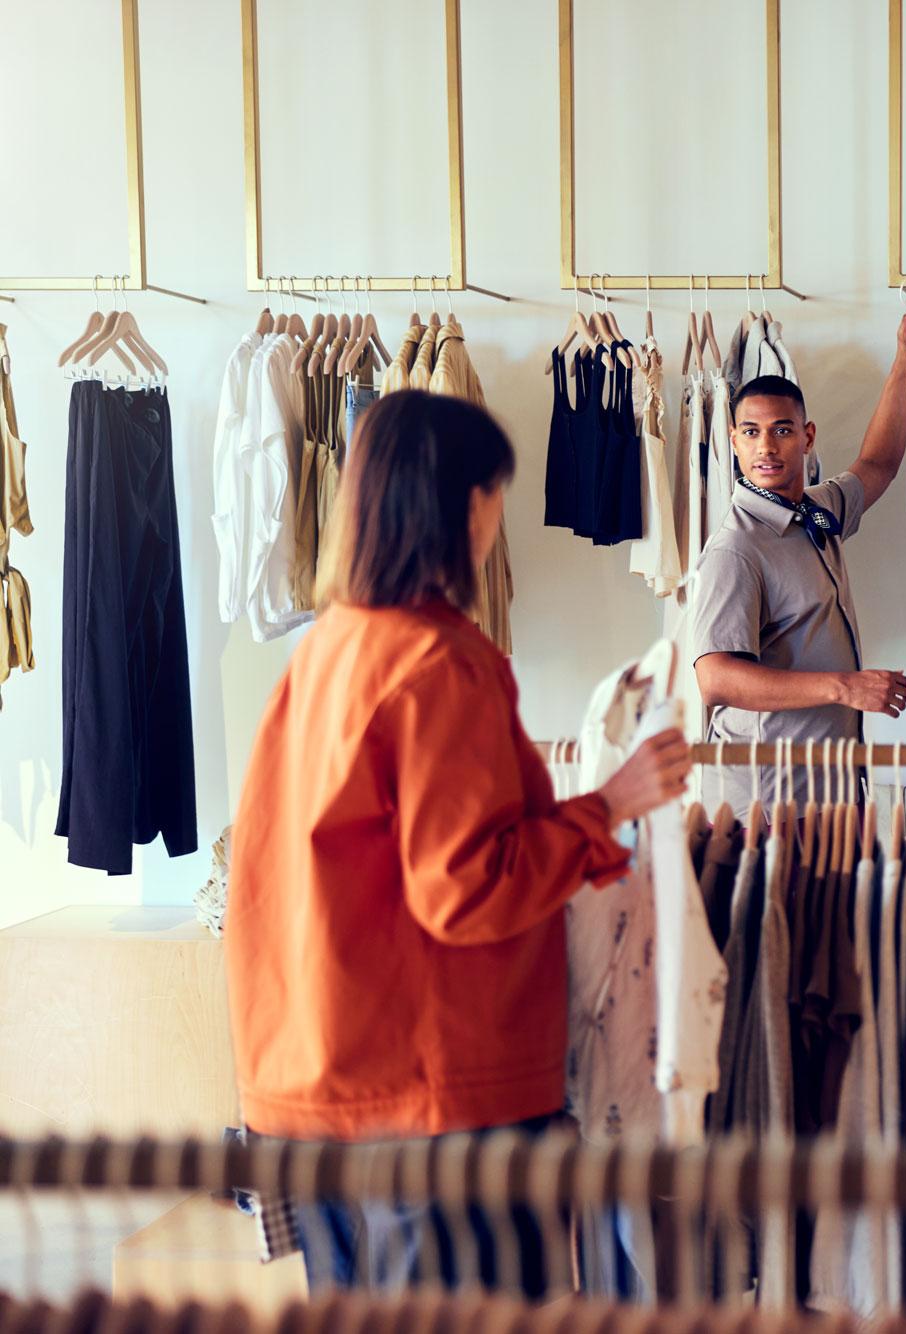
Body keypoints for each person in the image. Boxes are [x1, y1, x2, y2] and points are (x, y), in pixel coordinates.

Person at [223, 391, 691, 1292]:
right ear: (463, 503)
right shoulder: (443, 664)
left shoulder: (327, 651)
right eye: (495, 493)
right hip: (434, 1090)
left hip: (315, 1074)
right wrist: (611, 804)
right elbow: (466, 889)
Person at [687, 313, 906, 808]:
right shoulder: (736, 548)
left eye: (781, 430)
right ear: (733, 442)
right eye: (751, 432)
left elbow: (878, 464)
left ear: (807, 436)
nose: (766, 447)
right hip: (767, 804)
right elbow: (715, 679)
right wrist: (847, 688)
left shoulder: (817, 510)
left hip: (832, 790)